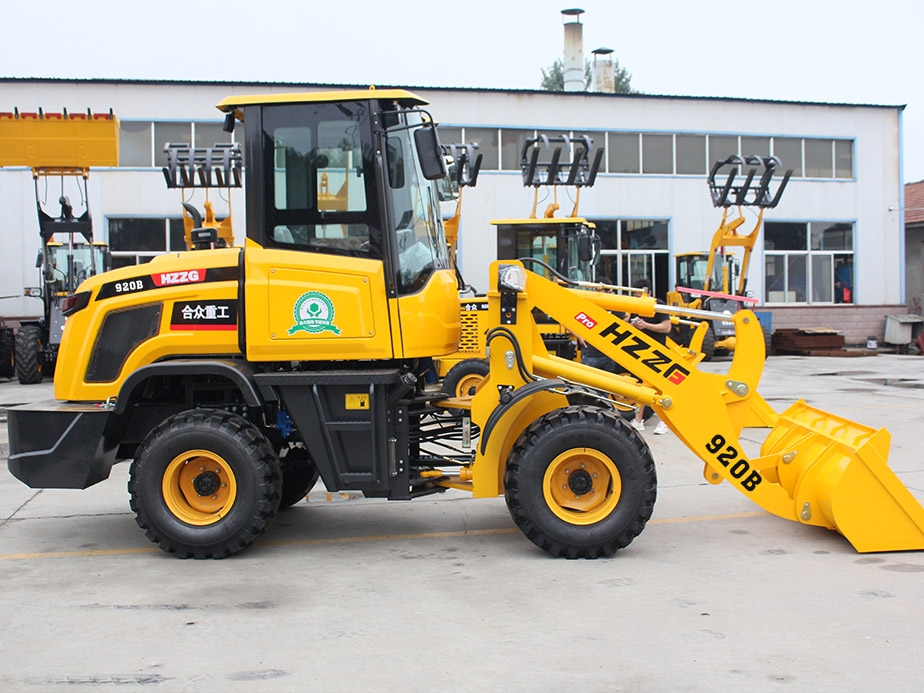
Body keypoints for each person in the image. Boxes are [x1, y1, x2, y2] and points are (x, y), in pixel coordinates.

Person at [627, 278, 671, 436]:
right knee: (643, 387)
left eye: (641, 295)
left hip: (658, 352)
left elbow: (666, 327)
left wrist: (646, 325)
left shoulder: (658, 305)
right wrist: (634, 326)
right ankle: (638, 421)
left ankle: (663, 422)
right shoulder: (635, 306)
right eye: (636, 295)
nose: (638, 299)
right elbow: (630, 326)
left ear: (649, 293)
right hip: (641, 352)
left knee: (660, 388)